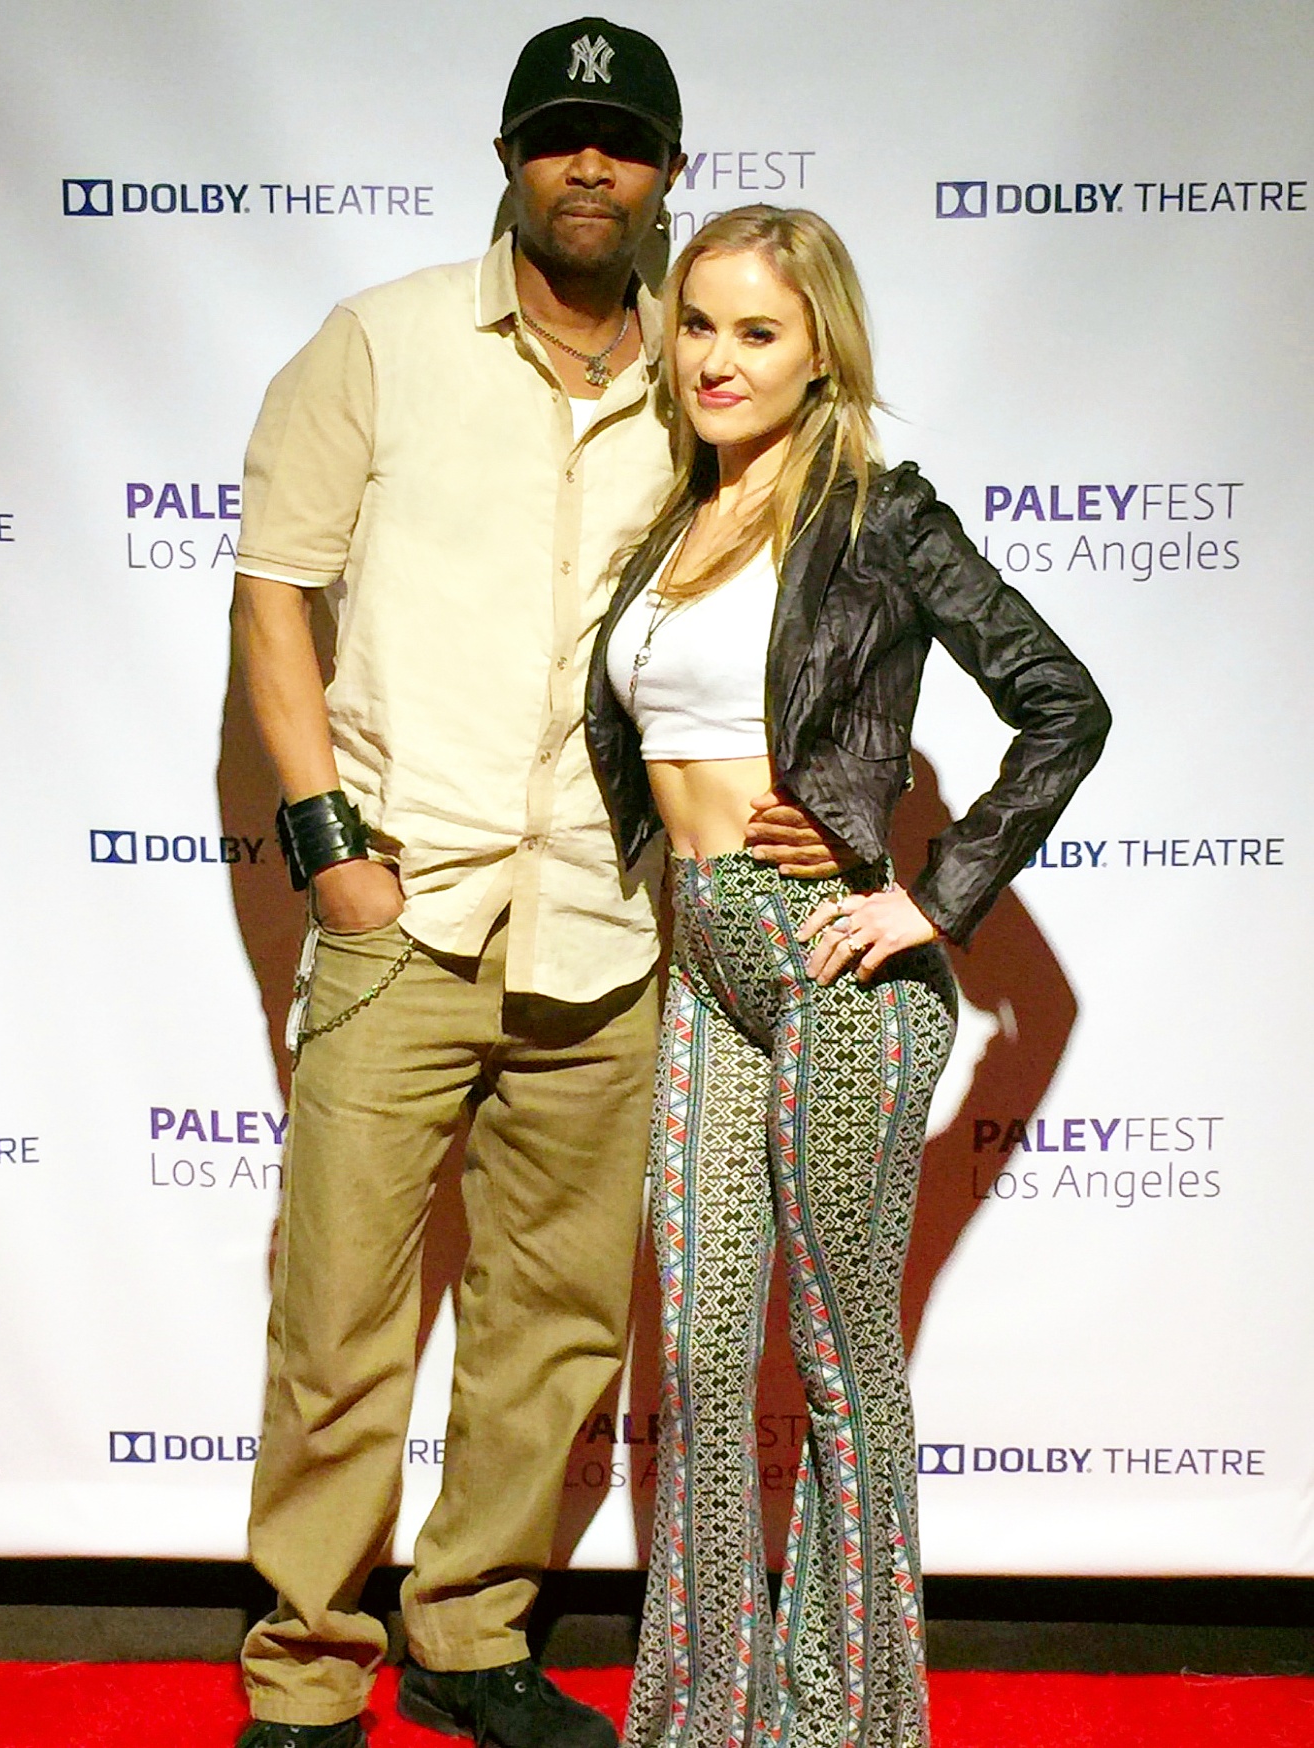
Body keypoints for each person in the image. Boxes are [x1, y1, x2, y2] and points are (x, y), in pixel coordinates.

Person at [230, 29, 847, 1748]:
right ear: (508, 151)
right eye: (563, 138)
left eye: (626, 145)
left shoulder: (711, 379)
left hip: (614, 918)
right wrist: (323, 847)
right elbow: (274, 591)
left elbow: (822, 598)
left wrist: (833, 803)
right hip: (402, 909)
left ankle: (472, 1633)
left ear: (666, 171)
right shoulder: (383, 340)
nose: (593, 169)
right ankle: (300, 1667)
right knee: (341, 1320)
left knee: (558, 1324)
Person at [585, 206, 1110, 1748]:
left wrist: (929, 900)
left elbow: (1061, 706)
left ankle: (849, 1722)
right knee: (698, 1339)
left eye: (757, 331)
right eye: (696, 325)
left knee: (831, 1351)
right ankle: (698, 1712)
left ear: (819, 348)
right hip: (708, 959)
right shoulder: (670, 522)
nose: (717, 360)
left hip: (835, 978)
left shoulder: (879, 510)